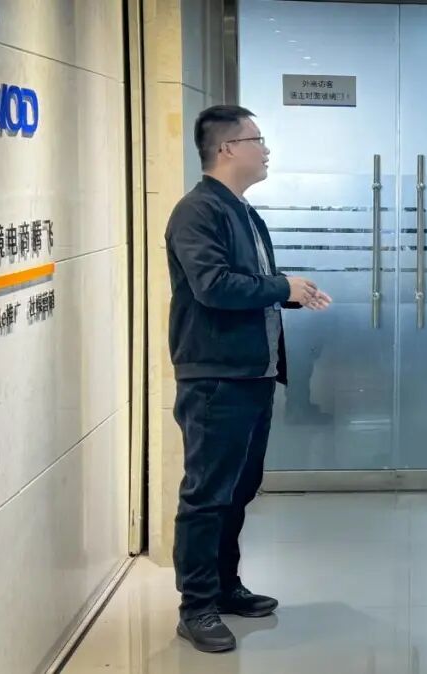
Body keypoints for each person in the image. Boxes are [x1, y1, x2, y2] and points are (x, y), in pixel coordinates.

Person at [165, 104, 332, 653]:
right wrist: (282, 287)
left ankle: (224, 585)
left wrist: (290, 292)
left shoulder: (242, 211)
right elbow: (213, 285)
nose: (266, 150)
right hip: (216, 378)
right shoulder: (197, 212)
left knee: (239, 489)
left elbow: (250, 282)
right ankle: (196, 606)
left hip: (252, 373)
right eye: (257, 140)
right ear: (226, 149)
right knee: (207, 495)